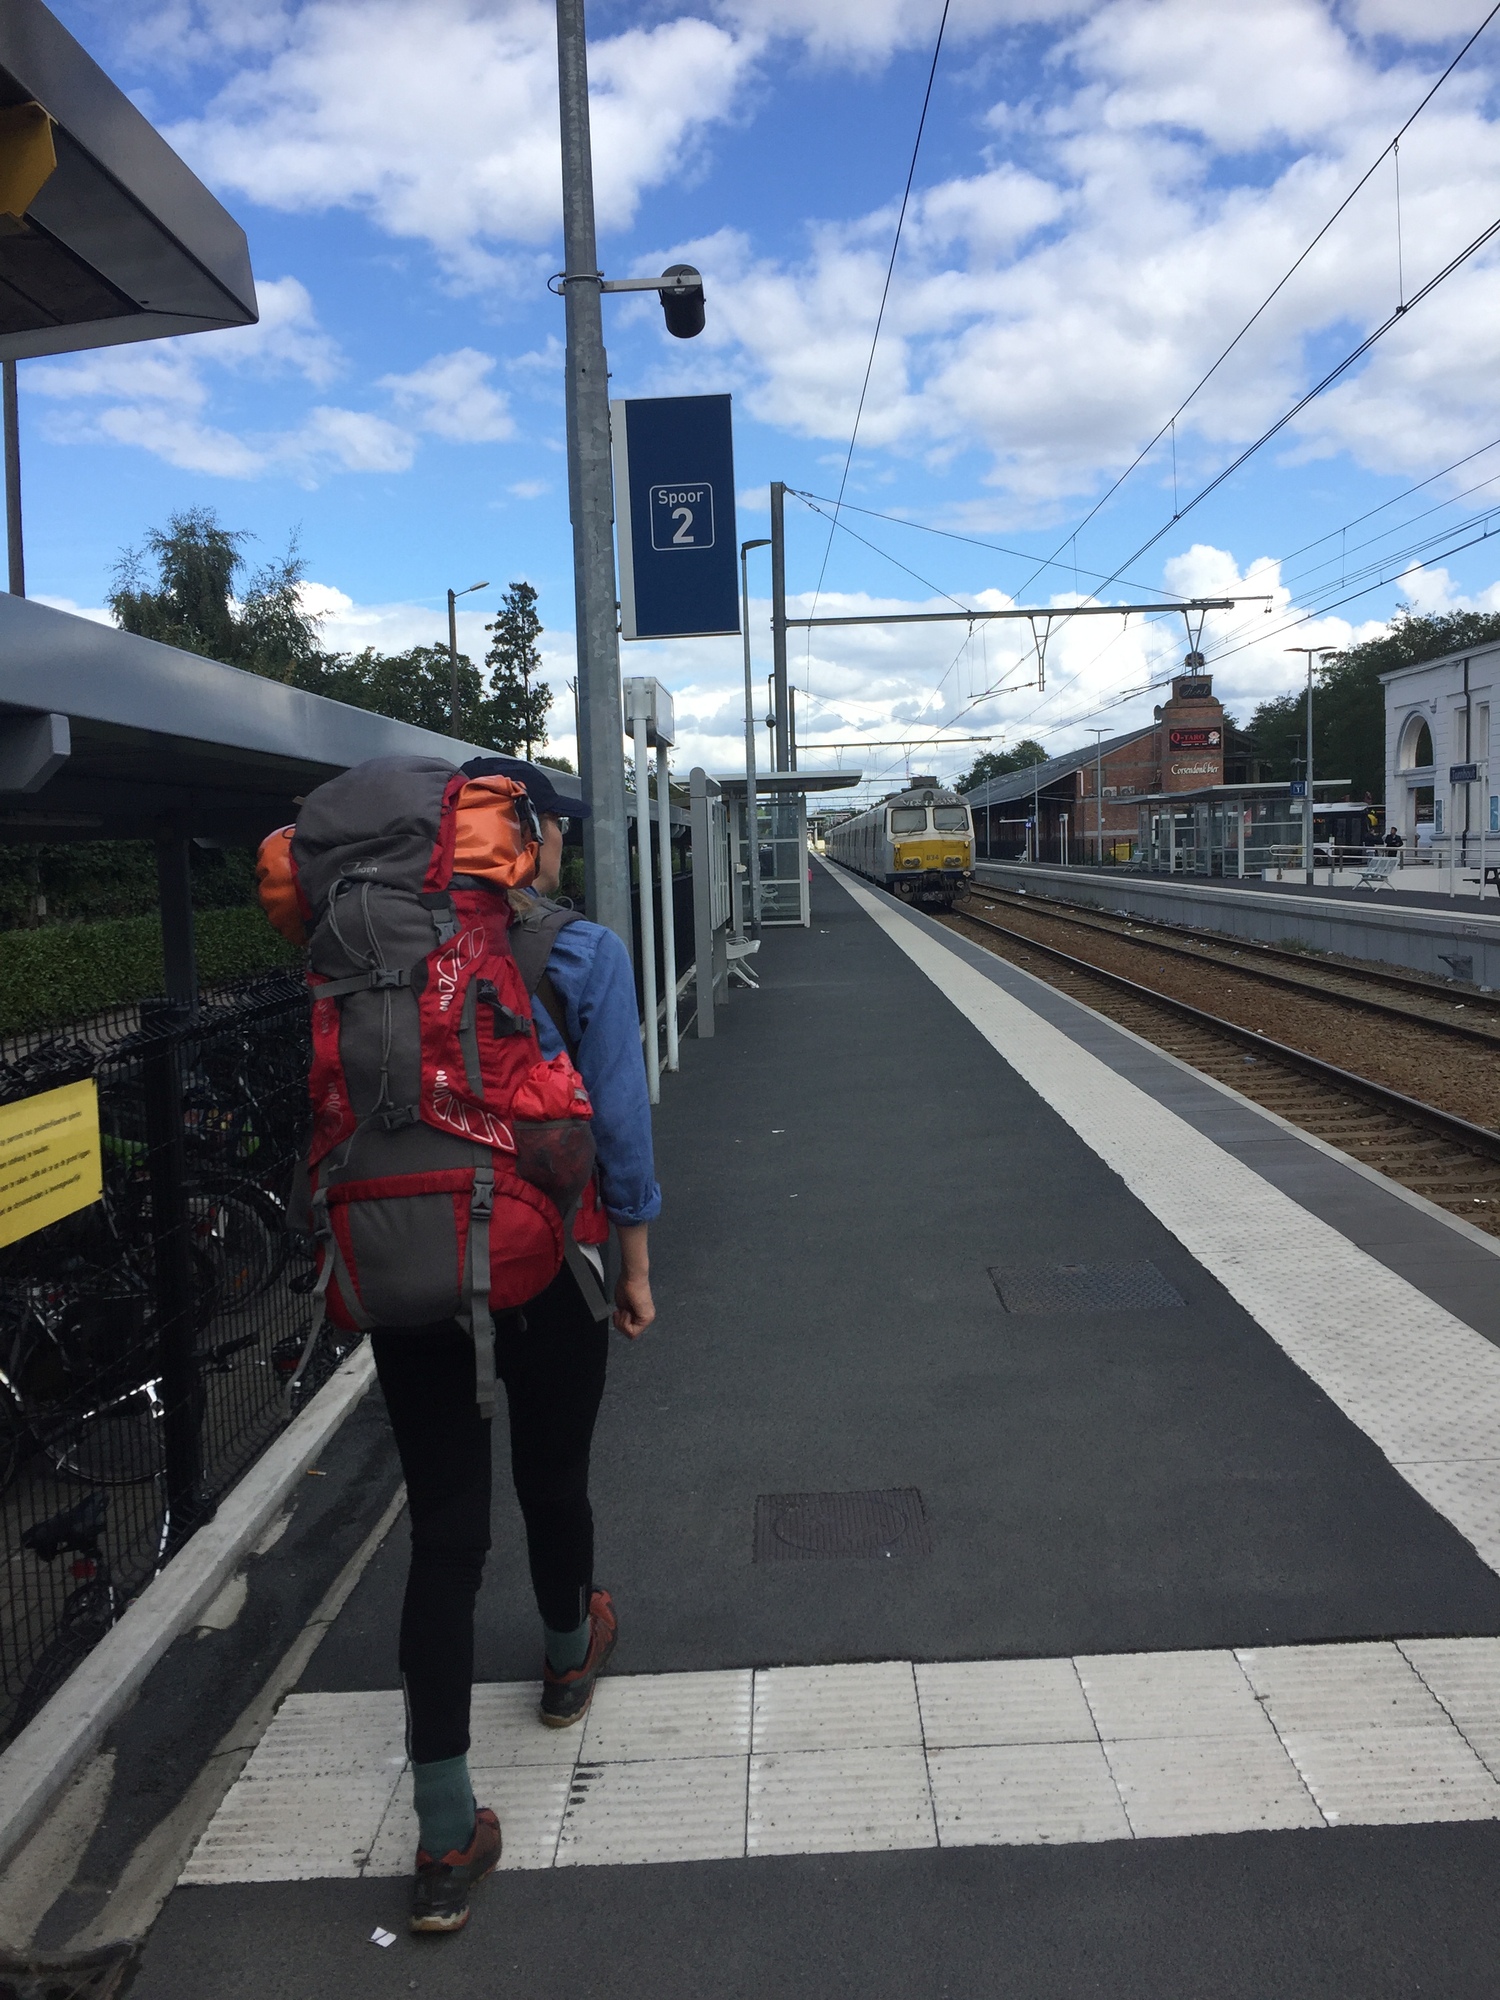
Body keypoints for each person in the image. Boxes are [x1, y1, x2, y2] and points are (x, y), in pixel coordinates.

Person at [371, 756, 660, 1935]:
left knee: (443, 1532)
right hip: (549, 1265)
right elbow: (620, 1120)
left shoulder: (371, 952)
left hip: (410, 1272)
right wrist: (635, 1265)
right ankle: (565, 1655)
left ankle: (444, 1833)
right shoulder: (579, 951)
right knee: (553, 1477)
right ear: (528, 842)